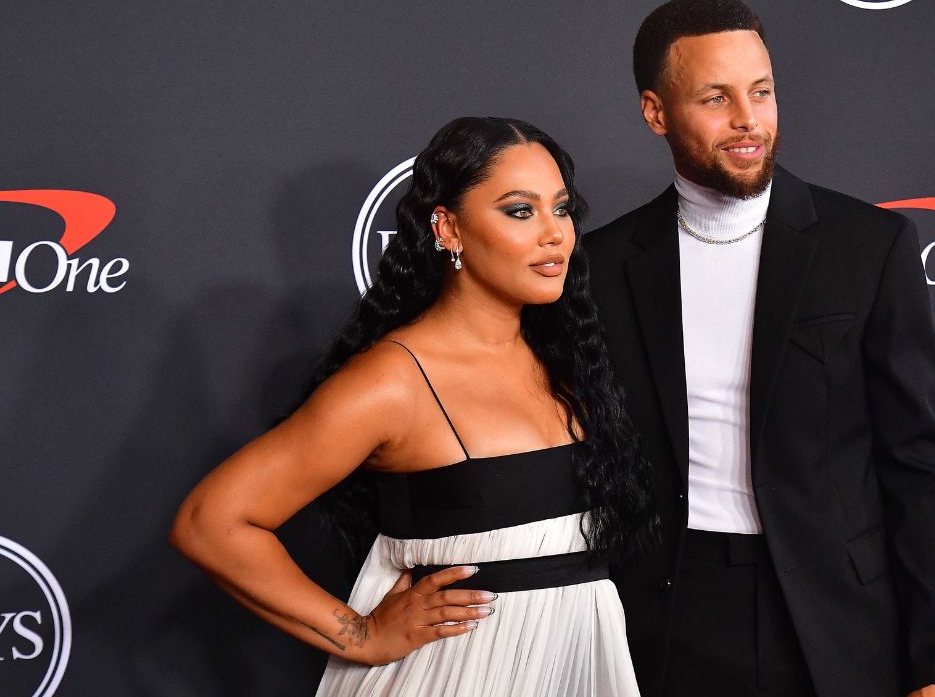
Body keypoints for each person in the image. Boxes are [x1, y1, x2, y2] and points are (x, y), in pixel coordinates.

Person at [170, 116, 653, 697]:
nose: (556, 234)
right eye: (521, 211)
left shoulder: (568, 359)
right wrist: (361, 635)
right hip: (453, 676)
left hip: (579, 662)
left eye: (563, 208)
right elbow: (211, 523)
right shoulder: (392, 382)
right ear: (447, 228)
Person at [584, 0, 935, 697]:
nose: (748, 120)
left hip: (838, 615)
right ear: (656, 112)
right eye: (716, 98)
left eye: (762, 92)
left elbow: (918, 464)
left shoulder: (867, 246)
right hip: (669, 619)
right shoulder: (603, 267)